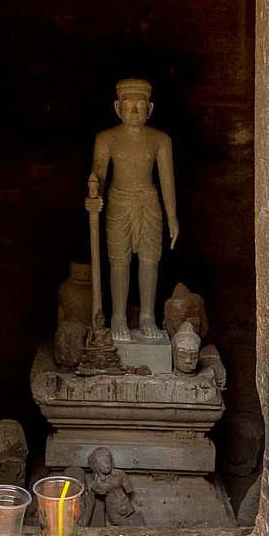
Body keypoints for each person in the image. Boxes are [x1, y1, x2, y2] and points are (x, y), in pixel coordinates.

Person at [89, 78, 179, 340]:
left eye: (141, 105)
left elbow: (167, 180)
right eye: (129, 105)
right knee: (119, 262)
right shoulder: (107, 138)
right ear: (118, 107)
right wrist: (92, 196)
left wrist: (172, 216)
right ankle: (118, 318)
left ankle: (147, 317)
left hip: (149, 202)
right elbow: (98, 176)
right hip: (119, 203)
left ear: (150, 109)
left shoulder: (160, 140)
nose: (135, 111)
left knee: (150, 260)